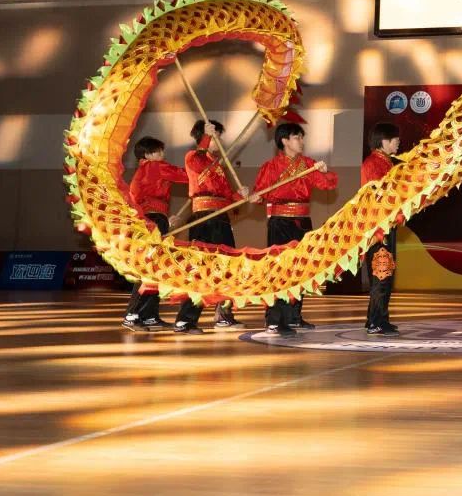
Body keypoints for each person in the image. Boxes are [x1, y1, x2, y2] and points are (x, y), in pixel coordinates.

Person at [254, 122, 338, 335]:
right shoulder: (270, 166)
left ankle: (293, 317)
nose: (301, 141)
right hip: (280, 222)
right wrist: (255, 197)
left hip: (302, 221)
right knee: (279, 270)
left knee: (301, 268)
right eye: (297, 137)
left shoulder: (308, 164)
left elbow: (328, 184)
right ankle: (274, 320)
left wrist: (325, 172)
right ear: (284, 141)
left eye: (301, 137)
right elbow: (260, 193)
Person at [183, 120, 251, 334]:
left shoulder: (218, 165)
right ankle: (185, 320)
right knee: (201, 269)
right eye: (215, 136)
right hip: (204, 219)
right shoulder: (192, 157)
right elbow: (197, 163)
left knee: (228, 268)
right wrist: (206, 136)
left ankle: (223, 316)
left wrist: (240, 196)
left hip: (220, 219)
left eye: (218, 136)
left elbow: (227, 197)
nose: (218, 141)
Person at [122, 136, 192, 331]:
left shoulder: (145, 170)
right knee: (148, 269)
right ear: (147, 154)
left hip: (151, 220)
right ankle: (131, 315)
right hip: (152, 220)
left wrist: (164, 220)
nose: (162, 154)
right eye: (158, 151)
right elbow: (184, 175)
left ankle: (149, 315)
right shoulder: (154, 166)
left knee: (156, 268)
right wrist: (200, 162)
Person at [361, 122, 401, 336]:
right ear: (384, 141)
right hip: (378, 227)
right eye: (395, 140)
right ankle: (376, 321)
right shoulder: (374, 163)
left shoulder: (386, 162)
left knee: (385, 274)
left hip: (386, 224)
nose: (398, 143)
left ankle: (377, 319)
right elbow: (381, 194)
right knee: (381, 273)